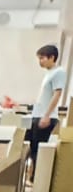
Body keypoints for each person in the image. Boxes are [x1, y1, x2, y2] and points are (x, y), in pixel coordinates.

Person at [26, 43, 66, 181]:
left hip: (45, 117)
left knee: (38, 150)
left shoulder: (59, 72)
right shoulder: (48, 73)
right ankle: (31, 176)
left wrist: (46, 115)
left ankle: (36, 180)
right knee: (32, 148)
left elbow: (57, 94)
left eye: (42, 58)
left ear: (52, 57)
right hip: (38, 115)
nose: (40, 61)